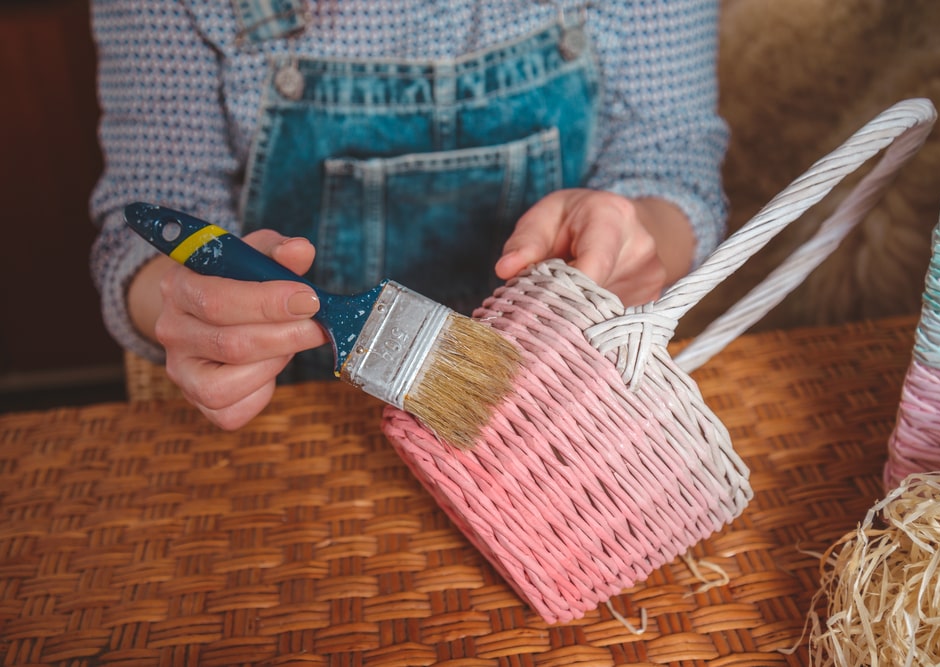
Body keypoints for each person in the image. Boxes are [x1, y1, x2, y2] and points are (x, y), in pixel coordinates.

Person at [89, 0, 729, 430]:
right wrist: (190, 311)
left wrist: (639, 237)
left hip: (555, 428)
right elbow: (139, 229)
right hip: (303, 425)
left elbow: (675, 165)